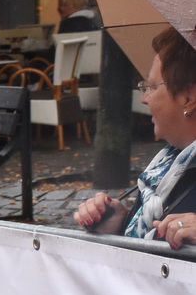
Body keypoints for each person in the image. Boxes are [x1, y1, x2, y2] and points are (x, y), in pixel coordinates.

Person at [76, 28, 196, 247]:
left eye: (151, 87)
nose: (145, 99)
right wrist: (121, 225)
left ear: (189, 97)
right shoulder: (166, 167)